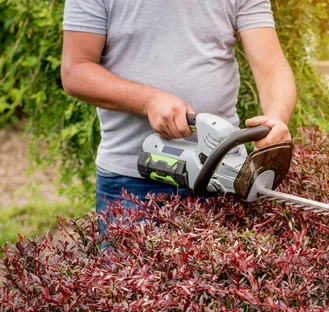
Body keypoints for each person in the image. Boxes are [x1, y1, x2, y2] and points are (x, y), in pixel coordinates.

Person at [61, 0, 297, 214]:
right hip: (131, 184)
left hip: (222, 174)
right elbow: (75, 70)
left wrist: (275, 118)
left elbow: (271, 66)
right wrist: (148, 101)